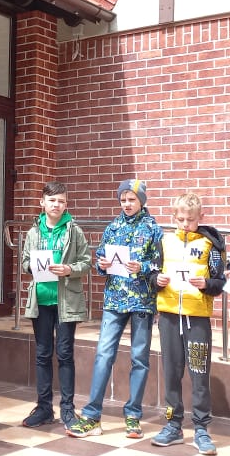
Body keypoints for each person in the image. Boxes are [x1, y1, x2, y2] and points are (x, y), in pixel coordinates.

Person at [67, 179, 162, 439]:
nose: (127, 204)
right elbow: (100, 258)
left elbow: (159, 264)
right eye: (123, 200)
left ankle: (133, 415)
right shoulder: (112, 227)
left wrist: (142, 267)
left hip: (142, 300)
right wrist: (103, 264)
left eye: (132, 199)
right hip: (114, 300)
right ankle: (92, 416)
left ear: (141, 200)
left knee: (139, 358)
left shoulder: (153, 229)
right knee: (103, 354)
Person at [152, 192, 226, 454]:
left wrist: (207, 284)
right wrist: (156, 280)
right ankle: (173, 424)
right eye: (181, 219)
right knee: (171, 372)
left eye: (191, 220)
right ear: (174, 217)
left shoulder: (210, 245)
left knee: (198, 372)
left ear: (200, 217)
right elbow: (152, 273)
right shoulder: (164, 242)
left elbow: (219, 282)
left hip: (197, 319)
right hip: (169, 317)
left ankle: (202, 428)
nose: (185, 224)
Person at [19, 182, 90, 430]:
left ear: (66, 204)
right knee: (42, 355)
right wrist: (32, 266)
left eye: (61, 201)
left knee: (65, 354)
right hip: (41, 301)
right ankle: (44, 408)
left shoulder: (74, 231)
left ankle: (68, 409)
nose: (56, 205)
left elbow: (86, 262)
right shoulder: (33, 232)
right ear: (42, 203)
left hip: (66, 302)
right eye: (52, 200)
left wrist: (69, 269)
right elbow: (25, 260)